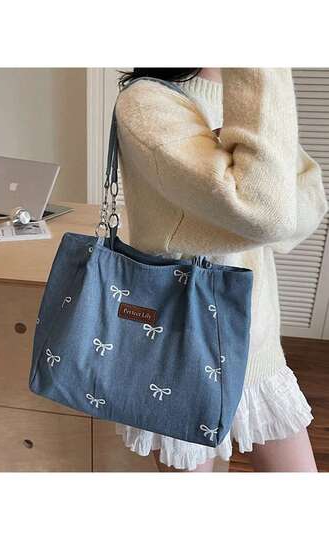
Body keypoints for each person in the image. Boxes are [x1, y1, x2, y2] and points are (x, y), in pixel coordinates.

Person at [113, 67, 328, 472]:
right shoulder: (147, 102)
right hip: (181, 358)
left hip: (258, 352)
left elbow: (303, 211)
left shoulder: (250, 99)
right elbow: (267, 213)